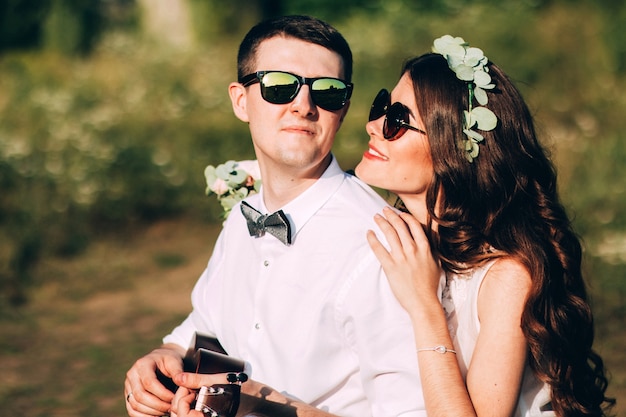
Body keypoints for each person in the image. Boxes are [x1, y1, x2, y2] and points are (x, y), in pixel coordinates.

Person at [124, 15, 428, 417]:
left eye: (328, 92)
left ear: (344, 109)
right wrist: (164, 356)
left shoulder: (380, 248)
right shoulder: (242, 217)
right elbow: (207, 323)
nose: (303, 105)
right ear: (240, 100)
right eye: (280, 86)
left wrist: (263, 407)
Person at [355, 35, 615, 417]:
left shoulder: (506, 277)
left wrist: (425, 307)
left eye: (397, 120)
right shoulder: (406, 245)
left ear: (452, 150)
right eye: (382, 106)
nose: (373, 124)